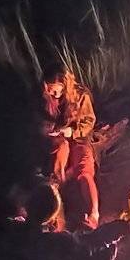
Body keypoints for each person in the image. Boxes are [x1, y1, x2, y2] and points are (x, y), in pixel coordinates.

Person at [39, 66, 99, 231]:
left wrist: (72, 131)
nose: (52, 93)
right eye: (48, 90)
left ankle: (93, 214)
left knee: (84, 170)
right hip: (59, 138)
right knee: (59, 159)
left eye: (54, 89)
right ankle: (56, 215)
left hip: (79, 137)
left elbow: (89, 121)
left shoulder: (80, 95)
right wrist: (49, 131)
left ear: (64, 84)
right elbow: (40, 121)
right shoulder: (46, 98)